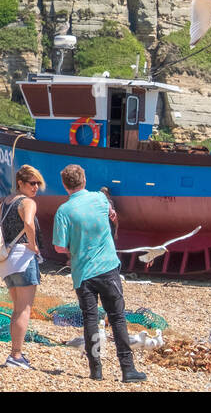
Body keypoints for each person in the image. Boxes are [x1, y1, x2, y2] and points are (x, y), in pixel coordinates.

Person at [53, 164, 147, 383]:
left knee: (90, 320)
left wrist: (75, 246)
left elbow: (58, 247)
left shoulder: (63, 211)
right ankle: (128, 369)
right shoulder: (100, 199)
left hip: (83, 273)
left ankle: (96, 370)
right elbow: (110, 214)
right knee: (117, 318)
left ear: (65, 185)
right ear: (84, 180)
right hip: (107, 268)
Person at [0, 164, 44, 369]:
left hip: (6, 261)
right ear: (20, 184)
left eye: (38, 183)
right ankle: (16, 355)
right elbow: (29, 224)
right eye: (32, 183)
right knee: (24, 310)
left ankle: (15, 353)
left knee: (17, 309)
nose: (36, 187)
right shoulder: (27, 202)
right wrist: (33, 245)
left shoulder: (5, 202)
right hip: (23, 259)